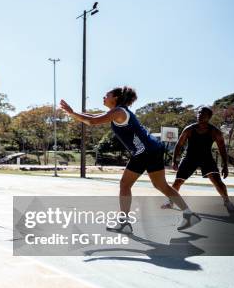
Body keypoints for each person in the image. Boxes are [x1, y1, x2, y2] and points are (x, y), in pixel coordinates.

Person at [60, 86, 201, 233]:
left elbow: (92, 121)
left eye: (106, 95)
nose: (103, 97)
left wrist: (72, 113)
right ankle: (189, 214)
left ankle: (125, 223)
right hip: (153, 149)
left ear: (115, 98)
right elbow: (92, 116)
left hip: (144, 152)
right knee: (161, 185)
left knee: (125, 184)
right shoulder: (118, 111)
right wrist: (74, 112)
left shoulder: (119, 112)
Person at [161, 107, 234, 213]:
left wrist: (225, 165)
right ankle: (171, 202)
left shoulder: (215, 131)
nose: (199, 114)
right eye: (199, 112)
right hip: (189, 158)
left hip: (206, 158)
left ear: (209, 117)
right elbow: (179, 144)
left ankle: (227, 201)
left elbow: (222, 148)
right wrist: (174, 160)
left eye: (203, 113)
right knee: (178, 181)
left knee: (217, 182)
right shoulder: (190, 129)